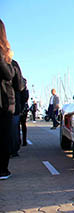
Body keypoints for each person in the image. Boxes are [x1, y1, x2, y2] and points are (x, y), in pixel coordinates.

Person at [0, 19, 15, 180]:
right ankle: (2, 170)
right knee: (4, 136)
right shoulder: (2, 52)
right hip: (3, 102)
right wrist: (8, 57)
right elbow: (8, 74)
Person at [10, 59, 24, 157]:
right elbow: (20, 86)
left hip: (11, 102)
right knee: (13, 128)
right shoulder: (12, 63)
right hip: (11, 102)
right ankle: (13, 150)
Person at [20, 78, 29, 146]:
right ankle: (24, 140)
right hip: (24, 108)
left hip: (20, 108)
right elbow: (26, 99)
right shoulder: (26, 90)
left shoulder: (19, 89)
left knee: (18, 125)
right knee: (23, 124)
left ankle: (21, 140)